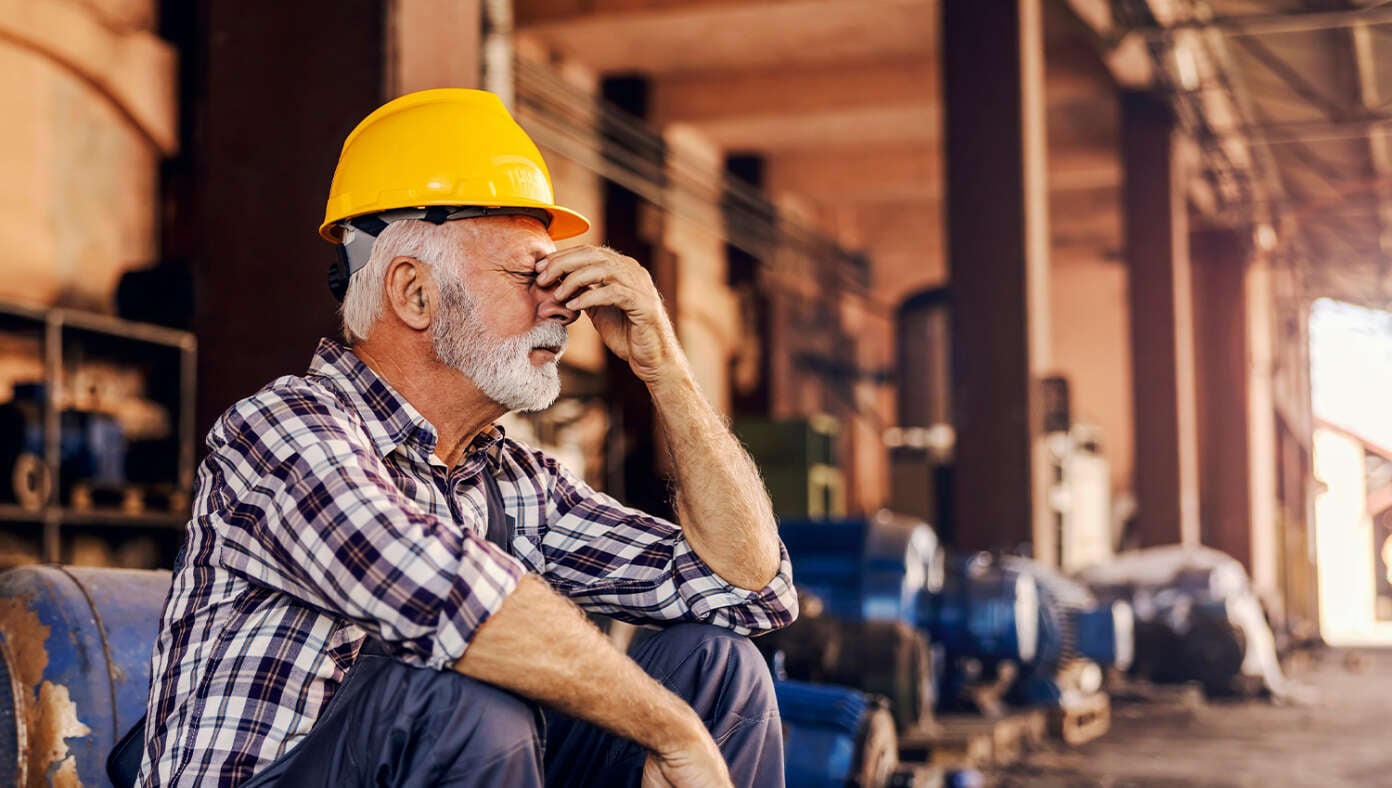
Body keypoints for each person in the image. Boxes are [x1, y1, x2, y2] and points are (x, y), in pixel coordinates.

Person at [136, 89, 798, 787]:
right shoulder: (281, 432)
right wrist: (670, 731)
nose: (563, 306)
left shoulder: (512, 483)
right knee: (460, 697)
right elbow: (448, 603)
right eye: (529, 275)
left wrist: (664, 367)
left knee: (717, 667)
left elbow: (748, 591)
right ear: (414, 294)